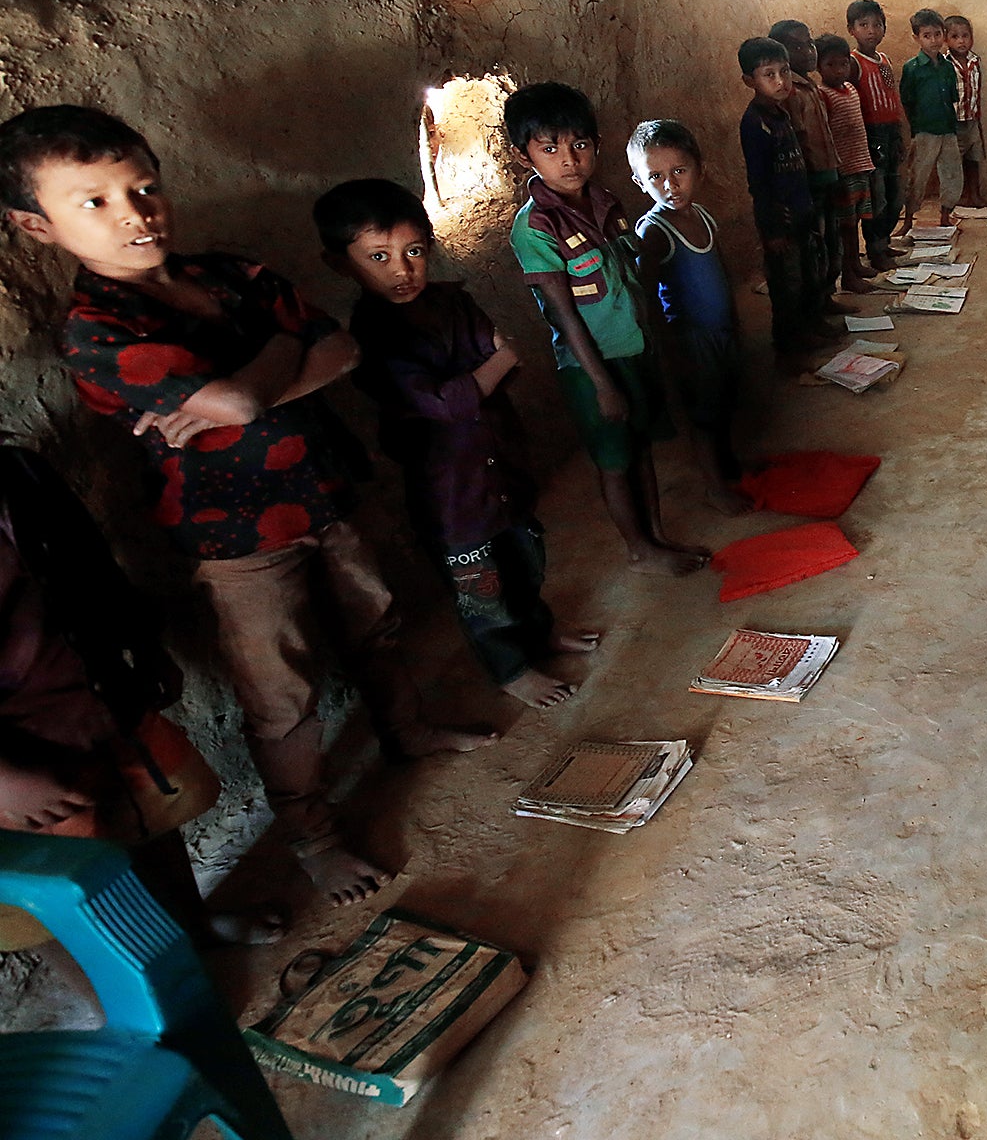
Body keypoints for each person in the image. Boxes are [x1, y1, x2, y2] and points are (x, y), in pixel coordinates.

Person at [2, 105, 487, 909]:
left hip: (322, 492)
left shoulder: (232, 273)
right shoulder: (97, 330)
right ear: (35, 226)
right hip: (234, 539)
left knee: (376, 621)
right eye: (93, 201)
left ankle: (407, 730)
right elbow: (243, 388)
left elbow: (341, 347)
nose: (134, 213)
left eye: (143, 186)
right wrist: (268, 366)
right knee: (282, 696)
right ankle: (315, 840)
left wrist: (258, 390)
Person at [0, 443, 286, 946]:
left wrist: (144, 643)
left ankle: (191, 927)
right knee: (60, 890)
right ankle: (137, 1005)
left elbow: (88, 563)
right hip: (21, 751)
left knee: (147, 817)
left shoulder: (13, 471)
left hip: (98, 694)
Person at [317, 178, 577, 714]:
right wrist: (492, 364)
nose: (402, 270)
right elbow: (451, 399)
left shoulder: (453, 301)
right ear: (340, 264)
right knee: (482, 590)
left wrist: (484, 373)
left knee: (526, 561)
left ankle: (541, 635)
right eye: (378, 257)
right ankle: (511, 669)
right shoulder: (372, 336)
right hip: (451, 491)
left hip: (498, 467)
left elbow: (497, 374)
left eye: (414, 252)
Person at [503, 82, 703, 577]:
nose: (568, 160)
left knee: (641, 448)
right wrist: (601, 384)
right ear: (523, 155)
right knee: (615, 460)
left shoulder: (604, 200)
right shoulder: (535, 227)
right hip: (592, 365)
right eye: (549, 149)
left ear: (596, 144)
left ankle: (655, 535)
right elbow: (564, 316)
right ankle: (638, 549)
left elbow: (630, 275)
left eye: (579, 145)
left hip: (633, 349)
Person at [627, 119, 751, 517]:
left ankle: (728, 465)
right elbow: (646, 296)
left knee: (725, 401)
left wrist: (734, 322)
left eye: (679, 171)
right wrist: (667, 352)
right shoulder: (654, 230)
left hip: (720, 332)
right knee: (702, 414)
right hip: (690, 339)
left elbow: (720, 271)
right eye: (656, 177)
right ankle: (715, 488)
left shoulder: (703, 216)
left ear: (700, 169)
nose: (670, 185)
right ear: (639, 181)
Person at [738, 37, 826, 373]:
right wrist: (771, 228)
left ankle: (805, 333)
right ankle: (787, 351)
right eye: (769, 75)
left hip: (801, 211)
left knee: (805, 277)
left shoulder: (781, 113)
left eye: (784, 72)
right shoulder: (754, 123)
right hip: (780, 220)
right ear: (750, 81)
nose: (780, 81)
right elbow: (758, 183)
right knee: (785, 286)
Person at [768, 19, 842, 325]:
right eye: (797, 45)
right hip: (809, 181)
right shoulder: (789, 91)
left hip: (827, 174)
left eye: (809, 43)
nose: (808, 50)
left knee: (829, 242)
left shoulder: (810, 84)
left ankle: (826, 298)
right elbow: (798, 140)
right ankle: (814, 314)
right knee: (812, 248)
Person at [815, 34, 879, 293]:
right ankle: (848, 275)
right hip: (842, 171)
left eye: (843, 64)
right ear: (818, 67)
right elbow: (826, 136)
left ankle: (855, 264)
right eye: (830, 65)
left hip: (860, 165)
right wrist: (836, 170)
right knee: (844, 225)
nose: (839, 70)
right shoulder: (823, 95)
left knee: (857, 221)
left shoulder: (851, 89)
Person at [848, 0, 907, 263]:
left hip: (891, 132)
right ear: (852, 30)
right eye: (863, 25)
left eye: (877, 25)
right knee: (877, 197)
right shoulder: (852, 63)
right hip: (870, 136)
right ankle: (874, 249)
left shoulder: (884, 59)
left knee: (897, 194)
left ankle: (884, 242)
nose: (871, 30)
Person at [900, 8, 962, 230]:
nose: (934, 40)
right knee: (917, 176)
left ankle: (945, 216)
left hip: (947, 128)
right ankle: (908, 220)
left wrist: (952, 126)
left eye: (938, 34)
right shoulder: (912, 68)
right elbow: (907, 100)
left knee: (953, 174)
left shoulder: (947, 66)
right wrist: (915, 127)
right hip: (925, 130)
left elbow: (953, 97)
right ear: (916, 38)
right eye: (927, 36)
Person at [944, 15, 987, 208]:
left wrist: (977, 116)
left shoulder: (975, 61)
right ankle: (958, 197)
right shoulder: (944, 63)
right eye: (955, 36)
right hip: (953, 122)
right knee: (955, 161)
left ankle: (975, 194)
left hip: (971, 119)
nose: (961, 41)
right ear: (946, 40)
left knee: (974, 158)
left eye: (965, 36)